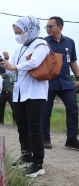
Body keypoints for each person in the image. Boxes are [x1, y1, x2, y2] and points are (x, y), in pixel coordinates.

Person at [0, 16, 49, 178]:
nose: (17, 35)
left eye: (19, 32)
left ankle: (38, 163)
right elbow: (12, 69)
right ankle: (26, 157)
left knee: (34, 127)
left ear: (29, 30)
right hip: (20, 93)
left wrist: (14, 66)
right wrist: (4, 65)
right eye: (16, 32)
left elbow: (34, 63)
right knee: (21, 126)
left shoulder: (41, 45)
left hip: (35, 92)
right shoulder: (20, 48)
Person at [41, 16, 79, 150]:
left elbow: (73, 61)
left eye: (50, 26)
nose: (48, 29)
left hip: (66, 82)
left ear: (60, 27)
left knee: (73, 108)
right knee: (45, 111)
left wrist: (78, 77)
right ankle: (45, 138)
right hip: (48, 82)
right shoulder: (43, 42)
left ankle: (72, 139)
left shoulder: (70, 42)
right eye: (47, 27)